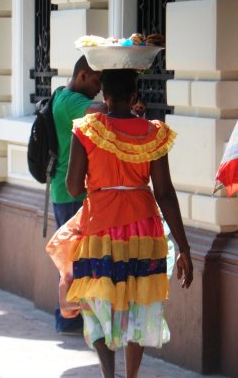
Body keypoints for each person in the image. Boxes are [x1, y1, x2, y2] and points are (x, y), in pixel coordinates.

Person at [48, 68, 193, 377]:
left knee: (95, 301)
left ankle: (107, 373)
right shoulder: (154, 133)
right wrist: (184, 248)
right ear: (135, 95)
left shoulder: (86, 130)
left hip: (99, 225)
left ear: (106, 96)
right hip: (144, 229)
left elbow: (73, 188)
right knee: (138, 303)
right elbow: (165, 193)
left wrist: (101, 178)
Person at [51, 55, 105, 334]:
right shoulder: (71, 100)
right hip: (70, 191)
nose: (99, 87)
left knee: (73, 260)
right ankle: (67, 319)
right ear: (82, 75)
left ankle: (70, 318)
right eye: (97, 80)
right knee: (72, 263)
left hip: (68, 191)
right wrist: (122, 101)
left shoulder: (62, 96)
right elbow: (101, 111)